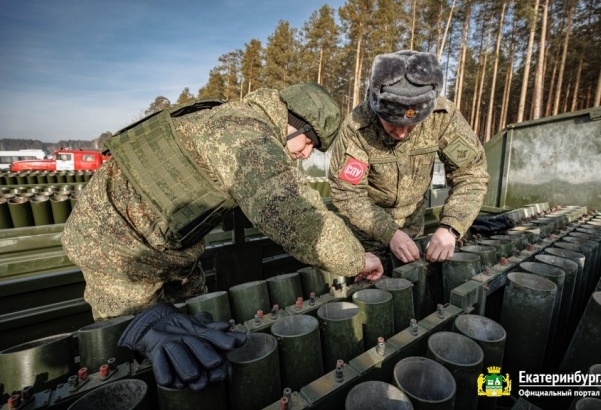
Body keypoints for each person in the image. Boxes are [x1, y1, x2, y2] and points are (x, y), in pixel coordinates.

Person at [61, 82, 384, 390]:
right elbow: (297, 214)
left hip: (168, 245)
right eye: (310, 143)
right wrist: (357, 260)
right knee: (137, 345)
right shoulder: (244, 133)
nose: (305, 154)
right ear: (293, 124)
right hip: (117, 250)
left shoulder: (238, 121)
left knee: (197, 325)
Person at [328, 50, 490, 271]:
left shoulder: (442, 117)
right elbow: (346, 192)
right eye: (392, 123)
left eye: (411, 125)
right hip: (367, 235)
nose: (402, 133)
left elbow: (471, 174)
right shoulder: (358, 127)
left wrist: (450, 227)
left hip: (413, 228)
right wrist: (389, 232)